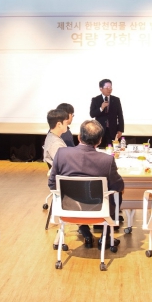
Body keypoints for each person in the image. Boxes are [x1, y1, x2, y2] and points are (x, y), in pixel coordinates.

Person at [48, 120, 124, 249]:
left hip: (68, 208)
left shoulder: (61, 154)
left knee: (78, 197)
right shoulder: (107, 160)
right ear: (99, 141)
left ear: (79, 137)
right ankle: (105, 236)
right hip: (99, 210)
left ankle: (85, 232)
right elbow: (118, 186)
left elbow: (52, 184)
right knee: (117, 193)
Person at [89, 79, 124, 148]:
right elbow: (92, 114)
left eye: (110, 87)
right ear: (101, 88)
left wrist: (120, 129)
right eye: (107, 87)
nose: (109, 89)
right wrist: (101, 108)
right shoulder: (95, 99)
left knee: (112, 149)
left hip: (113, 130)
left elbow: (120, 115)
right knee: (100, 149)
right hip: (100, 131)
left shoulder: (116, 100)